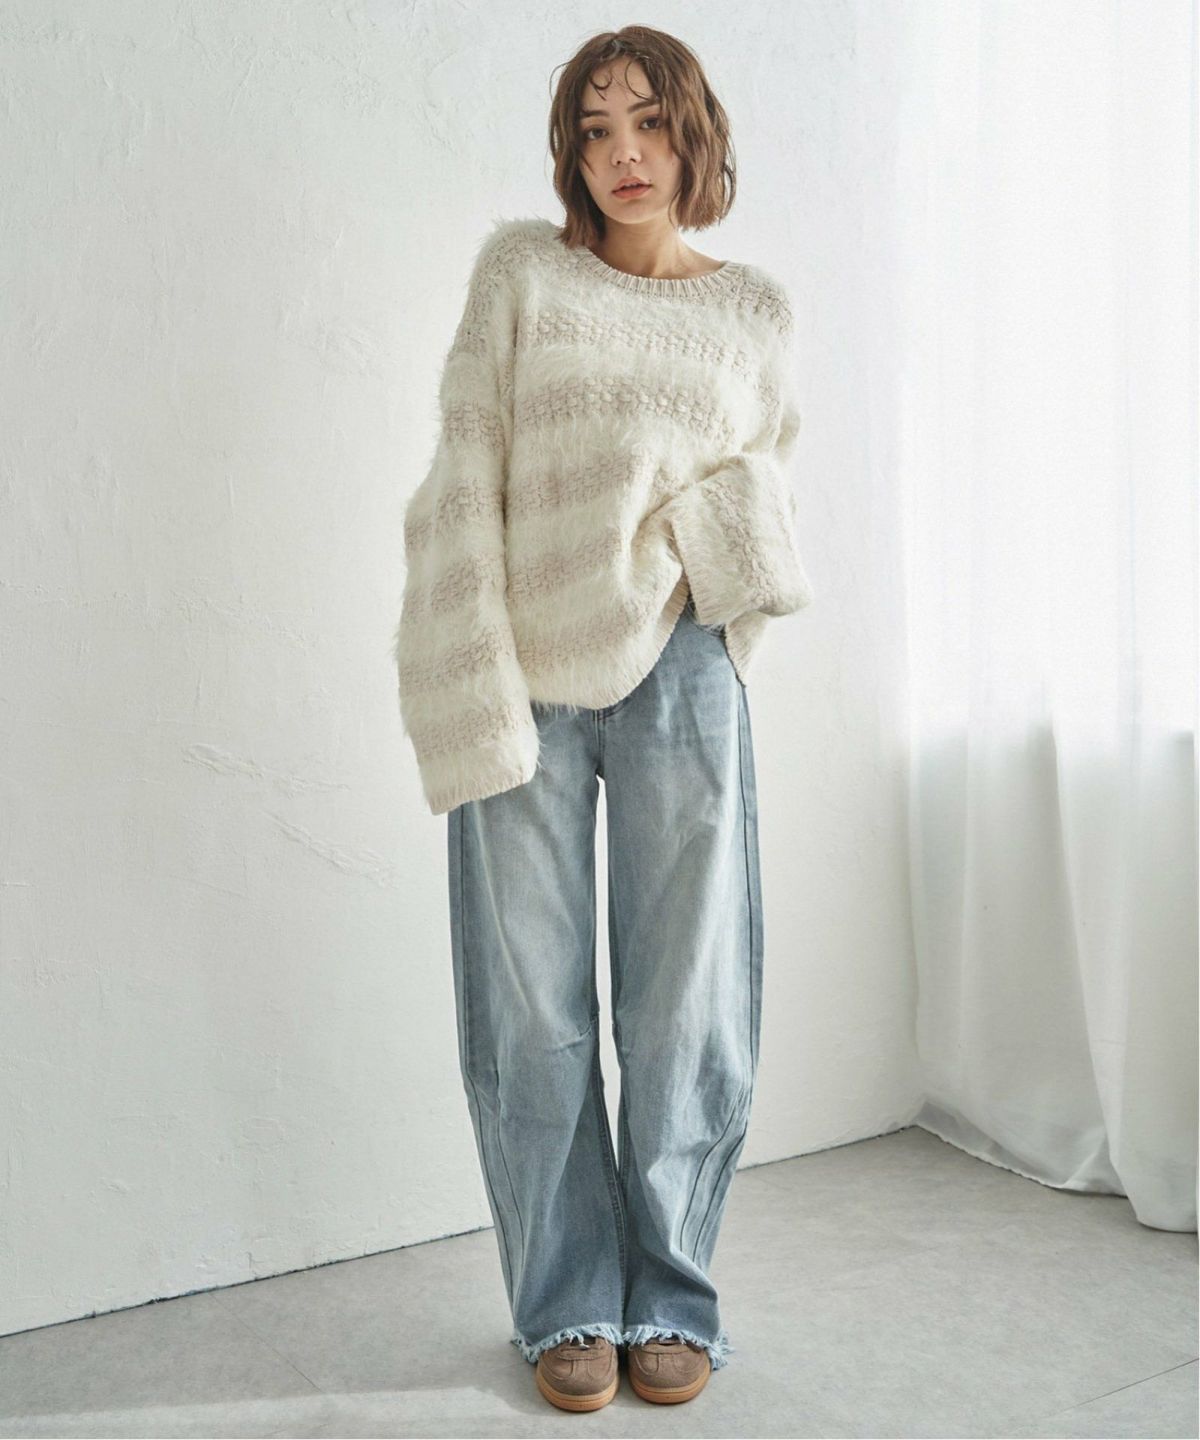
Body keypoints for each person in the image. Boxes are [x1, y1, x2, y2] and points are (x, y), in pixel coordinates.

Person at [393, 25, 815, 1413]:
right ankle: (567, 1296)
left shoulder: (754, 310)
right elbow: (468, 467)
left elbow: (765, 484)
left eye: (649, 121)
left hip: (683, 663)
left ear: (697, 134)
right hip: (524, 661)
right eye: (595, 128)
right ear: (570, 153)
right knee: (533, 1010)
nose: (625, 152)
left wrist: (701, 568)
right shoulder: (522, 273)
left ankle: (672, 1295)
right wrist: (472, 662)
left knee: (686, 998)